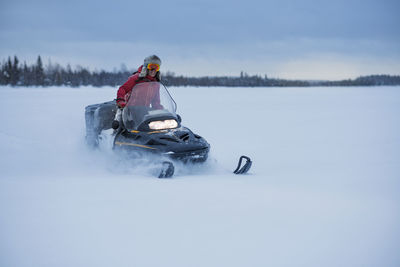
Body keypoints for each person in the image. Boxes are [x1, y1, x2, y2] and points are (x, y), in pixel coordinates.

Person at [113, 55, 162, 126]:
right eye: (151, 67)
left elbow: (156, 102)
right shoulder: (136, 78)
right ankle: (112, 135)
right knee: (119, 126)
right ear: (146, 68)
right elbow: (123, 89)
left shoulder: (155, 84)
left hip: (144, 113)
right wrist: (120, 100)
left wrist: (163, 112)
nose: (153, 71)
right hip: (129, 111)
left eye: (156, 68)